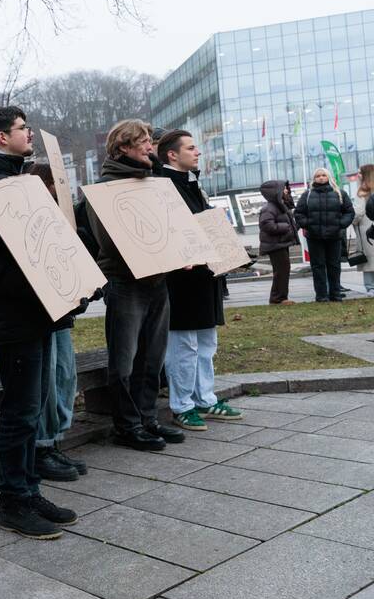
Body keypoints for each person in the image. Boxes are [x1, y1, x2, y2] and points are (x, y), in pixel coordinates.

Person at [0, 106, 78, 540]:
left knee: (31, 408)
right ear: (2, 138)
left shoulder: (16, 182)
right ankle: (13, 501)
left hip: (37, 313)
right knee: (21, 412)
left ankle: (29, 490)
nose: (30, 135)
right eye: (23, 129)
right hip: (16, 317)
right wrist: (44, 287)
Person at [84, 120, 183, 451]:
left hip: (158, 280)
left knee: (153, 357)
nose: (149, 147)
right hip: (126, 282)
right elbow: (109, 243)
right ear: (123, 148)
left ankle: (147, 418)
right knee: (124, 360)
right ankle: (126, 426)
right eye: (142, 142)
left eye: (149, 142)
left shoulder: (154, 181)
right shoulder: (106, 188)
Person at [155, 130, 243, 431]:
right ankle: (182, 405)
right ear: (171, 155)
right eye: (191, 148)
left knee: (207, 343)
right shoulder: (162, 186)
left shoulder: (191, 182)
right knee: (183, 346)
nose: (198, 152)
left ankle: (205, 398)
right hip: (182, 279)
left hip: (205, 276)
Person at [29, 164, 85, 481]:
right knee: (48, 378)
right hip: (43, 309)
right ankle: (42, 445)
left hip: (61, 308)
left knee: (64, 374)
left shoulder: (59, 215)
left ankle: (54, 440)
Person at [294, 167, 355, 302]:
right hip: (314, 236)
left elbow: (349, 212)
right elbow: (298, 213)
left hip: (334, 236)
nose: (321, 178)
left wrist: (341, 224)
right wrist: (308, 224)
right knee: (318, 266)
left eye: (323, 175)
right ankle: (321, 295)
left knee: (334, 265)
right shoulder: (307, 195)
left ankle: (335, 294)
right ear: (314, 179)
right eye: (318, 176)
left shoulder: (340, 193)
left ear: (328, 177)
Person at [258, 179, 299, 305]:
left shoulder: (280, 206)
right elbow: (266, 225)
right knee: (281, 270)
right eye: (284, 188)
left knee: (283, 270)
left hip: (280, 243)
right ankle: (278, 298)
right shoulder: (269, 208)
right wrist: (286, 227)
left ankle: (280, 297)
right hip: (275, 245)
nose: (287, 190)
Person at [353, 164, 374, 296]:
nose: (357, 175)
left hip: (366, 230)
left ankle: (370, 287)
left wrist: (352, 220)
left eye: (360, 173)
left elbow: (358, 213)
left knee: (368, 260)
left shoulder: (362, 193)